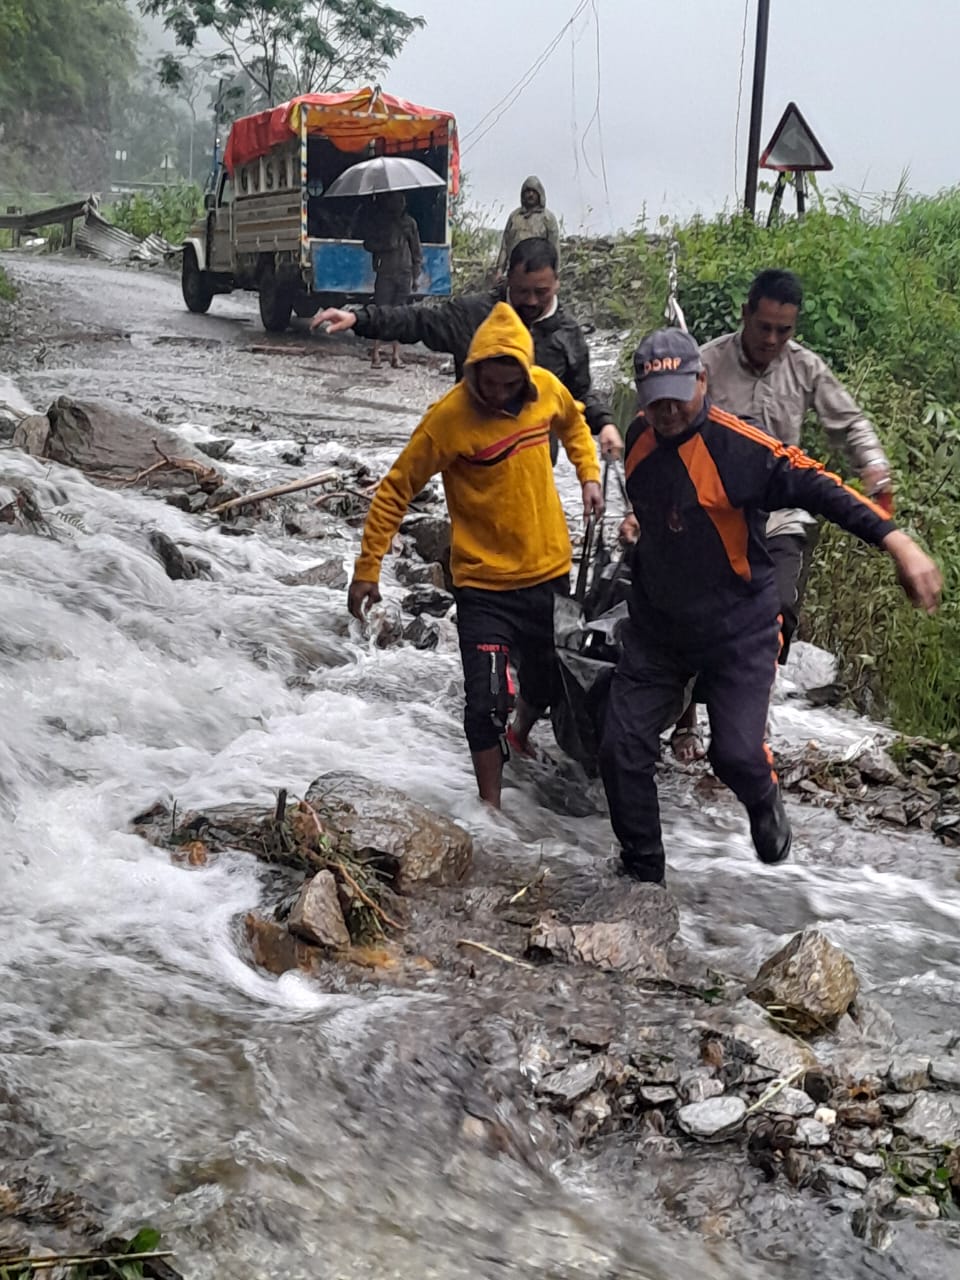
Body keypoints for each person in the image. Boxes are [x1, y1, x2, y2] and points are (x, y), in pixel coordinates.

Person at [601, 328, 940, 885]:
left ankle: (764, 796)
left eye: (677, 396)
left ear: (702, 382)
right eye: (654, 398)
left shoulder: (740, 448)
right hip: (659, 625)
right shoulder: (638, 438)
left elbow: (822, 488)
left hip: (739, 628)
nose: (665, 410)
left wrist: (897, 541)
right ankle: (644, 874)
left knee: (733, 755)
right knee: (620, 747)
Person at [348, 302, 603, 808]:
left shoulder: (547, 390)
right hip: (484, 585)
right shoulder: (448, 419)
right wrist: (367, 568)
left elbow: (574, 425)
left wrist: (588, 474)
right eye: (491, 383)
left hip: (548, 571)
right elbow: (396, 488)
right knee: (485, 702)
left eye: (512, 386)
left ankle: (522, 734)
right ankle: (492, 809)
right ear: (473, 370)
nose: (501, 395)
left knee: (547, 680)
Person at [663, 268, 897, 763]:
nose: (771, 339)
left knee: (777, 612)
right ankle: (684, 719)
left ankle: (744, 734)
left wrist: (874, 467)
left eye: (783, 330)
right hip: (713, 511)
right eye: (764, 326)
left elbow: (849, 422)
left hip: (778, 515)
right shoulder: (705, 363)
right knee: (692, 612)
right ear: (745, 314)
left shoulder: (804, 368)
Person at [311, 237, 623, 459]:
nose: (530, 301)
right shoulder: (472, 316)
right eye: (522, 291)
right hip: (471, 455)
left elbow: (580, 395)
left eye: (540, 292)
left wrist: (605, 424)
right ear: (507, 279)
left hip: (534, 460)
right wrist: (358, 318)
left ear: (556, 283)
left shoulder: (568, 335)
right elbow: (417, 320)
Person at [361, 192, 422, 369]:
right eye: (396, 201)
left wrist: (415, 276)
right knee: (381, 313)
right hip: (385, 274)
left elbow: (416, 250)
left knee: (400, 314)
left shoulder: (410, 224)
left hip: (404, 273)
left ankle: (396, 356)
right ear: (389, 203)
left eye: (402, 201)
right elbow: (368, 244)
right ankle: (376, 355)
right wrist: (386, 245)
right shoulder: (381, 223)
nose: (399, 205)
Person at [494, 176, 560, 280]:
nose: (530, 194)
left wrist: (554, 275)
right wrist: (499, 269)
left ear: (539, 194)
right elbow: (505, 245)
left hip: (539, 272)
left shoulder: (548, 218)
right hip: (515, 271)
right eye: (527, 191)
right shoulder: (514, 217)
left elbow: (554, 248)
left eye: (534, 191)